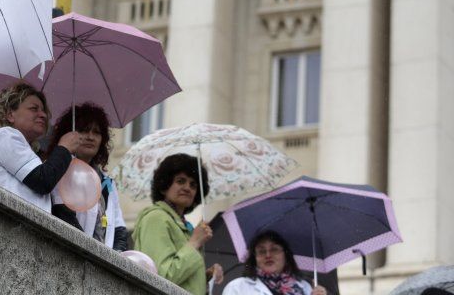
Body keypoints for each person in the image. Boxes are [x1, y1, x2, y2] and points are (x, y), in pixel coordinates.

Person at [0, 82, 80, 212]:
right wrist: (64, 147)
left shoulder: (23, 147)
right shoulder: (5, 136)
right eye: (34, 109)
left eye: (43, 110)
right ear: (10, 115)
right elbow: (43, 181)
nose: (43, 115)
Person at [133, 153, 224, 295]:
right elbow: (161, 278)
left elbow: (180, 278)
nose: (187, 187)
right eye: (181, 181)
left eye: (193, 184)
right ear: (164, 186)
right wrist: (194, 243)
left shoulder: (184, 226)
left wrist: (205, 277)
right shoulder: (156, 218)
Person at [45, 103, 128, 251]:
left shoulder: (107, 182)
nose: (90, 137)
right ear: (68, 134)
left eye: (96, 132)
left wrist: (116, 258)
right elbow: (62, 216)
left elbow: (119, 230)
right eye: (83, 130)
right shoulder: (59, 170)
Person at [222, 231, 327, 295]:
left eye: (274, 249)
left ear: (285, 254)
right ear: (255, 258)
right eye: (262, 251)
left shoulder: (305, 288)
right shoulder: (237, 288)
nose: (268, 255)